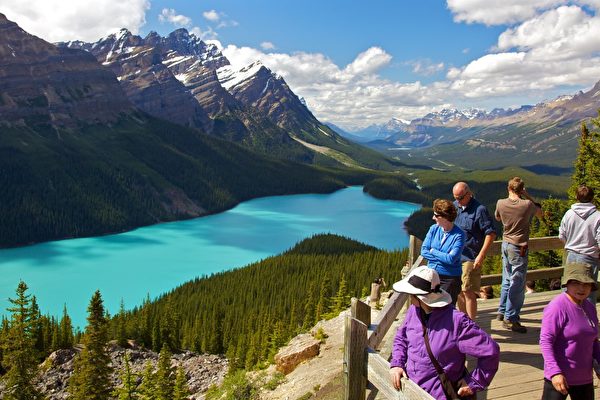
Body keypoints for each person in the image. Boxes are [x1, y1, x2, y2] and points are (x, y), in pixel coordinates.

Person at [389, 266, 500, 400]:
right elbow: (401, 337)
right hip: (412, 389)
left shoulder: (456, 322)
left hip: (440, 394)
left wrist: (474, 381)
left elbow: (491, 351)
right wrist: (397, 364)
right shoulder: (414, 311)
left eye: (411, 294)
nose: (409, 297)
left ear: (421, 298)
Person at [540, 262, 600, 400]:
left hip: (584, 378)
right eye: (576, 283)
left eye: (586, 284)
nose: (581, 288)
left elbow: (593, 341)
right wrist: (555, 373)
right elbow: (545, 342)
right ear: (567, 283)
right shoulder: (557, 306)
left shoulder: (589, 307)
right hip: (559, 378)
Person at [495, 177, 543, 333]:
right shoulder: (527, 204)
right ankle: (511, 318)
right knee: (517, 283)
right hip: (519, 247)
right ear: (521, 190)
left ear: (508, 188)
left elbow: (497, 217)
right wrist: (527, 195)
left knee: (507, 278)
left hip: (505, 244)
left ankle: (502, 311)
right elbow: (540, 213)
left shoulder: (500, 203)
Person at [453, 182, 497, 320]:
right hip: (455, 257)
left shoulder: (480, 210)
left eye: (460, 198)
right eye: (455, 198)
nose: (458, 201)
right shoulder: (455, 206)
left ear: (469, 193)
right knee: (458, 291)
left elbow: (490, 234)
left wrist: (481, 255)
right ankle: (463, 320)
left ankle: (471, 323)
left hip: (471, 257)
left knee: (468, 291)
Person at [559, 185, 600, 304]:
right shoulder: (597, 216)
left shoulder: (569, 214)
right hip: (589, 257)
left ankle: (568, 314)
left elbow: (561, 235)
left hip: (571, 256)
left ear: (577, 197)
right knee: (587, 292)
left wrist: (569, 244)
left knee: (569, 290)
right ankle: (587, 316)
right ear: (592, 198)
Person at [421, 198, 466, 304]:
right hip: (432, 276)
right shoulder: (433, 229)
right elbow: (424, 251)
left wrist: (433, 251)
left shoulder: (459, 235)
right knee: (429, 307)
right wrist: (443, 258)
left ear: (445, 217)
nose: (433, 218)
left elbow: (451, 259)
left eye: (436, 215)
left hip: (449, 279)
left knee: (446, 308)